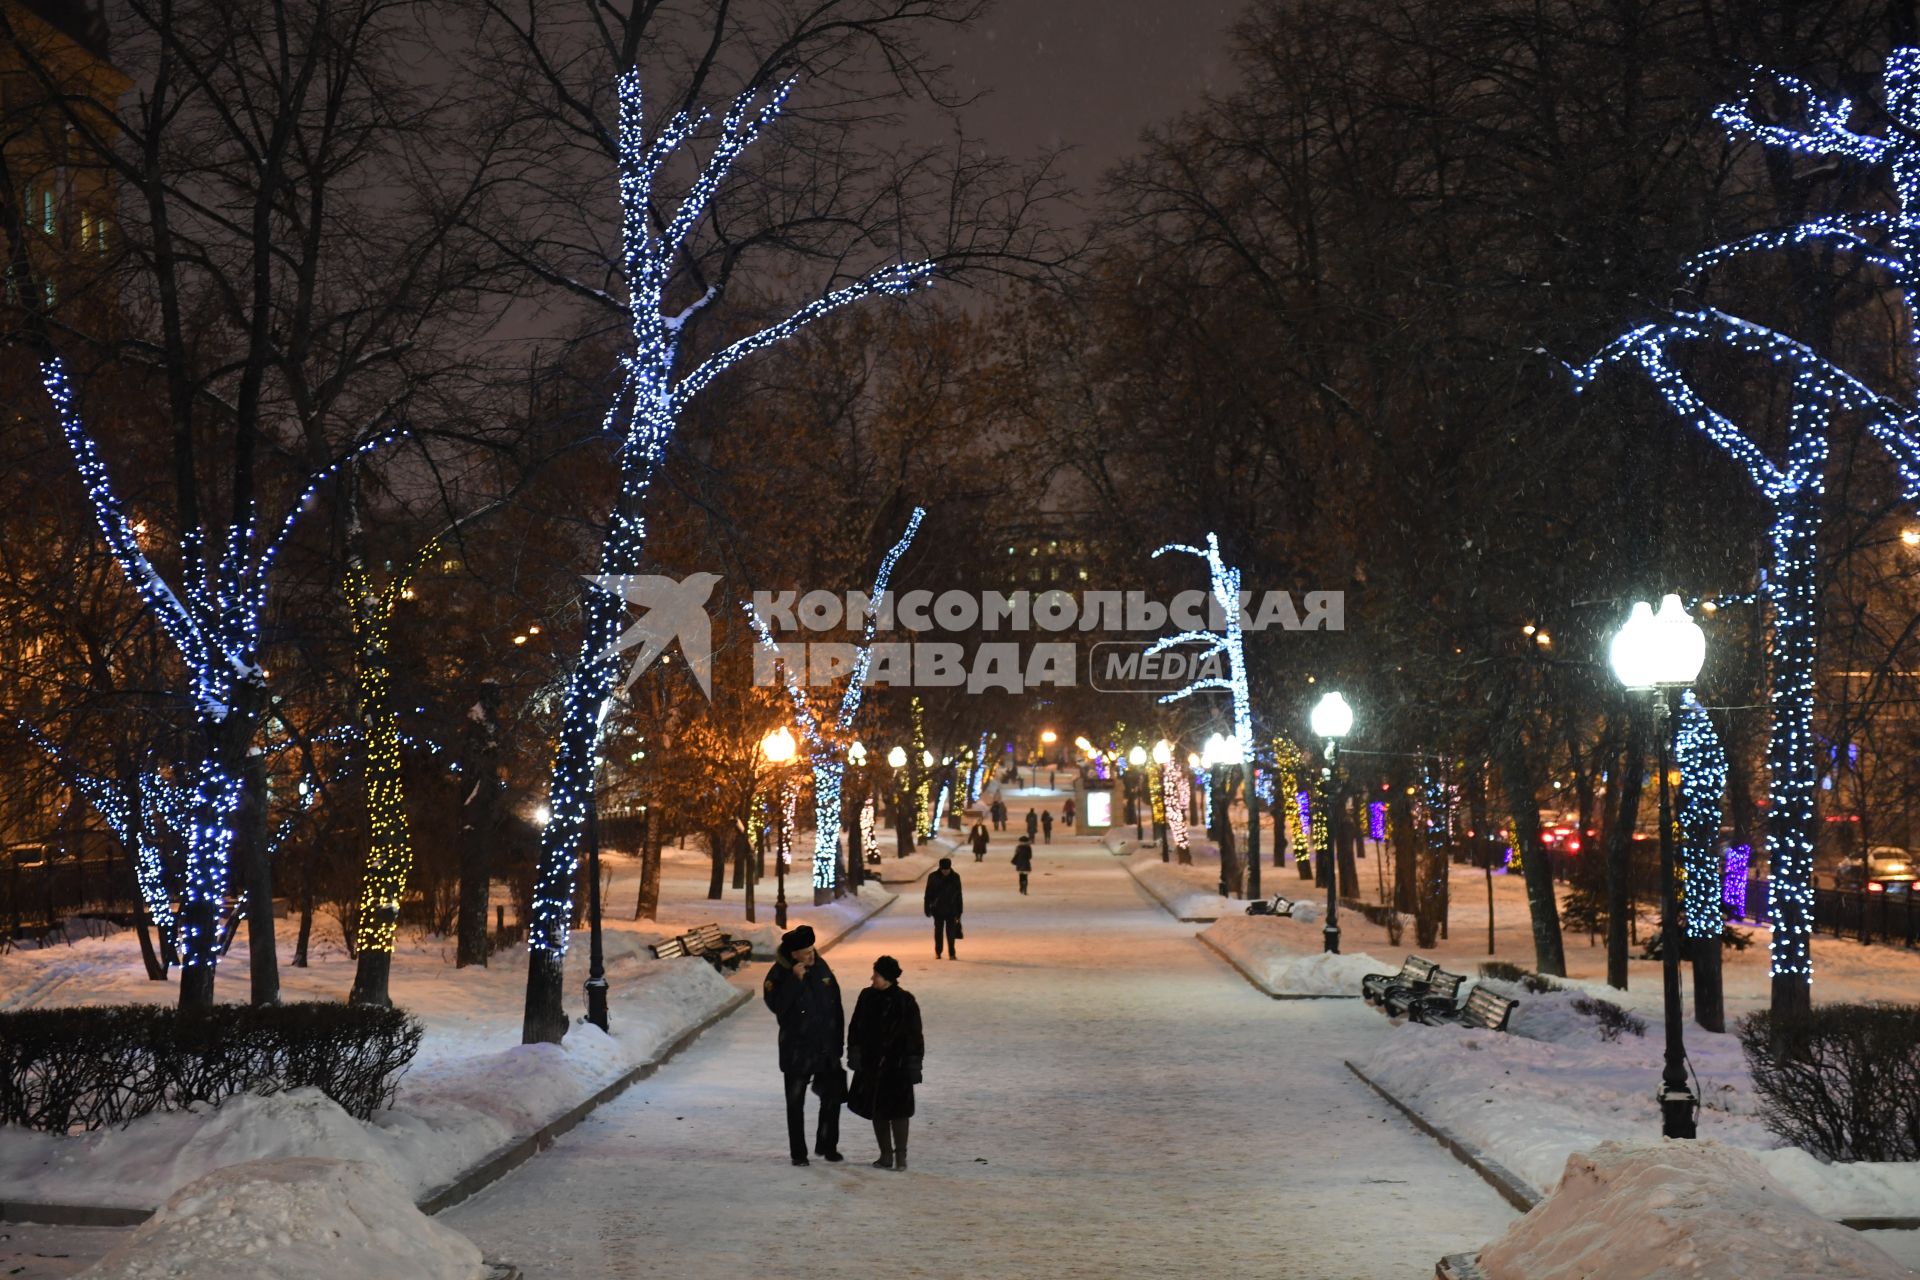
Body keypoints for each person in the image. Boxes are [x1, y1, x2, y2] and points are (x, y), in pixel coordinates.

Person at [762, 925, 845, 1166]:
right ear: (793, 954)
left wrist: (838, 1042)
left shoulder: (821, 966)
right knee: (795, 1104)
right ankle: (799, 1153)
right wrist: (794, 981)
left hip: (825, 1047)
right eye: (806, 952)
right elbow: (777, 1006)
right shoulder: (778, 975)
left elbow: (835, 1005)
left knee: (832, 1098)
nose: (811, 955)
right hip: (796, 1050)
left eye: (812, 950)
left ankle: (828, 1145)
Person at [847, 955, 924, 1172]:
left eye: (877, 975)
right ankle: (886, 1155)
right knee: (877, 1110)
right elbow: (855, 1027)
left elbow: (915, 1037)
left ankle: (900, 1156)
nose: (872, 978)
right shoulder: (867, 997)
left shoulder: (905, 1001)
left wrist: (913, 1065)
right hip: (872, 1065)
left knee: (899, 1112)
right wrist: (855, 1053)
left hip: (896, 1067)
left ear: (888, 978)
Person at [924, 856, 964, 958]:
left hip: (952, 909)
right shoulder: (932, 877)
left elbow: (959, 895)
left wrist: (960, 911)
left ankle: (952, 953)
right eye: (943, 870)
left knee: (951, 933)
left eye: (947, 869)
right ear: (940, 868)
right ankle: (938, 951)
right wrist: (927, 908)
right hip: (937, 909)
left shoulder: (955, 877)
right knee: (938, 931)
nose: (945, 872)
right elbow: (928, 893)